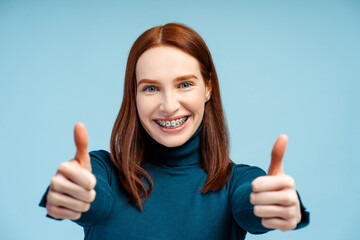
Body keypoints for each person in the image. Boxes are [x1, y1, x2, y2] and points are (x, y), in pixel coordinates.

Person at [39, 23, 309, 239]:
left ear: (208, 87)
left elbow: (253, 206)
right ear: (133, 96)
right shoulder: (104, 172)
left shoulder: (237, 183)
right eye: (151, 88)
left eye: (184, 85)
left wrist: (276, 204)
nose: (169, 106)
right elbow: (92, 199)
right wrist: (76, 195)